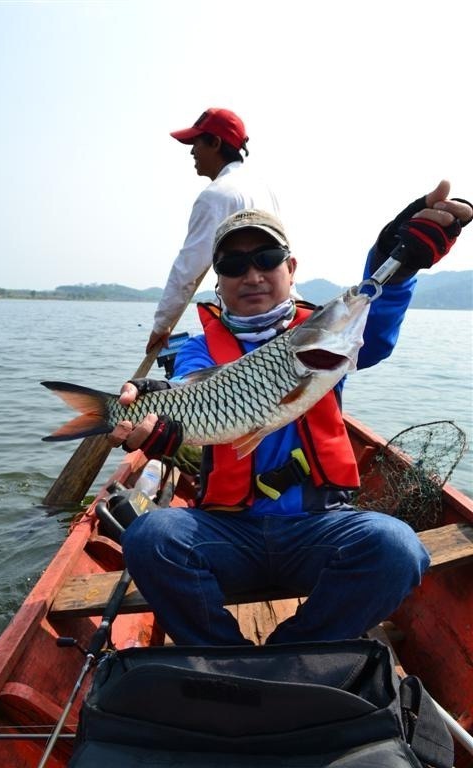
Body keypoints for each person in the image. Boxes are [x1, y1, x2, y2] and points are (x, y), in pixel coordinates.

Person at [110, 181, 472, 646]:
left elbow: (371, 322)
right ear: (217, 280)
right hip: (226, 531)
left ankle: (296, 651)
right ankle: (227, 656)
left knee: (398, 548)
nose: (252, 274)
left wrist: (395, 262)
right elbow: (192, 393)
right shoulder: (200, 348)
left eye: (266, 258)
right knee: (150, 537)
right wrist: (155, 414)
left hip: (317, 526)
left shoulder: (325, 339)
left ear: (291, 267)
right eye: (233, 264)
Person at [146, 107, 280, 353]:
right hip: (281, 317)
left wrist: (162, 325)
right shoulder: (262, 187)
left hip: (246, 325)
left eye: (196, 142)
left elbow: (187, 270)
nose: (192, 151)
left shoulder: (216, 195)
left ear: (216, 143)